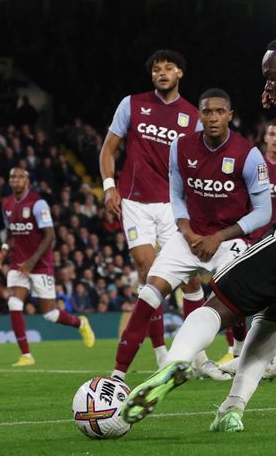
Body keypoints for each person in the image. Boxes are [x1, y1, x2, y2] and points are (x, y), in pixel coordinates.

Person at [120, 33, 276, 431]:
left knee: (218, 303)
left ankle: (173, 364)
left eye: (272, 77)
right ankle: (233, 408)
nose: (267, 87)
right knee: (273, 318)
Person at [110, 88, 272, 383]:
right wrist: (185, 229)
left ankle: (239, 356)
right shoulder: (180, 147)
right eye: (207, 112)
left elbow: (263, 211)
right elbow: (177, 193)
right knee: (148, 293)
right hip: (190, 237)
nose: (213, 118)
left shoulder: (248, 154)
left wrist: (219, 237)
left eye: (220, 112)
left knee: (234, 298)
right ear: (199, 115)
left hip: (228, 240)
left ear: (230, 116)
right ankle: (117, 375)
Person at [100, 49, 204, 368]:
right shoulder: (132, 104)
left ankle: (198, 355)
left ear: (180, 74)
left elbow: (201, 166)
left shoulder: (193, 117)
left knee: (192, 280)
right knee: (149, 272)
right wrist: (108, 187)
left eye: (169, 68)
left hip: (173, 206)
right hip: (135, 202)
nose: (161, 73)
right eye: (157, 69)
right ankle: (161, 353)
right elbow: (109, 149)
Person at [0, 167, 94, 366]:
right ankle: (26, 355)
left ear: (27, 181)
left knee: (50, 314)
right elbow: (10, 232)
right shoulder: (6, 203)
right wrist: (5, 248)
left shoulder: (38, 204)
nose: (15, 180)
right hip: (18, 262)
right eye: (12, 177)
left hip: (40, 264)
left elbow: (50, 235)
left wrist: (32, 261)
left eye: (19, 177)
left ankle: (81, 323)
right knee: (14, 303)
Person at [218, 121, 276, 370]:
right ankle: (236, 350)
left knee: (272, 298)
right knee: (237, 293)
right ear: (265, 136)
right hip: (252, 238)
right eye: (271, 133)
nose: (275, 138)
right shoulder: (255, 164)